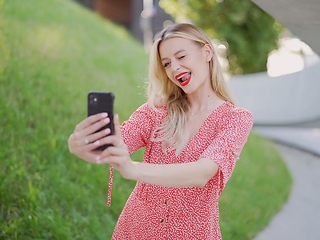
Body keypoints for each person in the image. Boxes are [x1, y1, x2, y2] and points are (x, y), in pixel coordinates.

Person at [68, 23, 253, 239]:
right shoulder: (157, 110)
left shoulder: (236, 119)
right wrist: (85, 144)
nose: (174, 68)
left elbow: (202, 173)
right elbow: (117, 144)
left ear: (207, 52)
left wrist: (133, 169)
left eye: (181, 56)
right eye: (167, 63)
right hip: (136, 230)